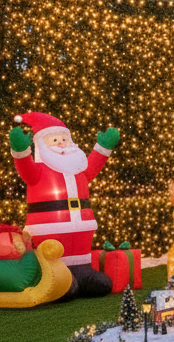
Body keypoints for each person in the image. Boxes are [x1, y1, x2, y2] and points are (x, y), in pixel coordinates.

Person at [8, 112, 120, 297]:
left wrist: (103, 147)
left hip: (82, 233)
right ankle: (57, 278)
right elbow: (24, 166)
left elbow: (93, 165)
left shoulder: (78, 169)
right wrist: (20, 151)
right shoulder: (38, 172)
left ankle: (84, 274)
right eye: (54, 139)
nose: (61, 143)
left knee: (99, 282)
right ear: (41, 144)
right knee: (62, 276)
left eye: (64, 138)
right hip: (49, 231)